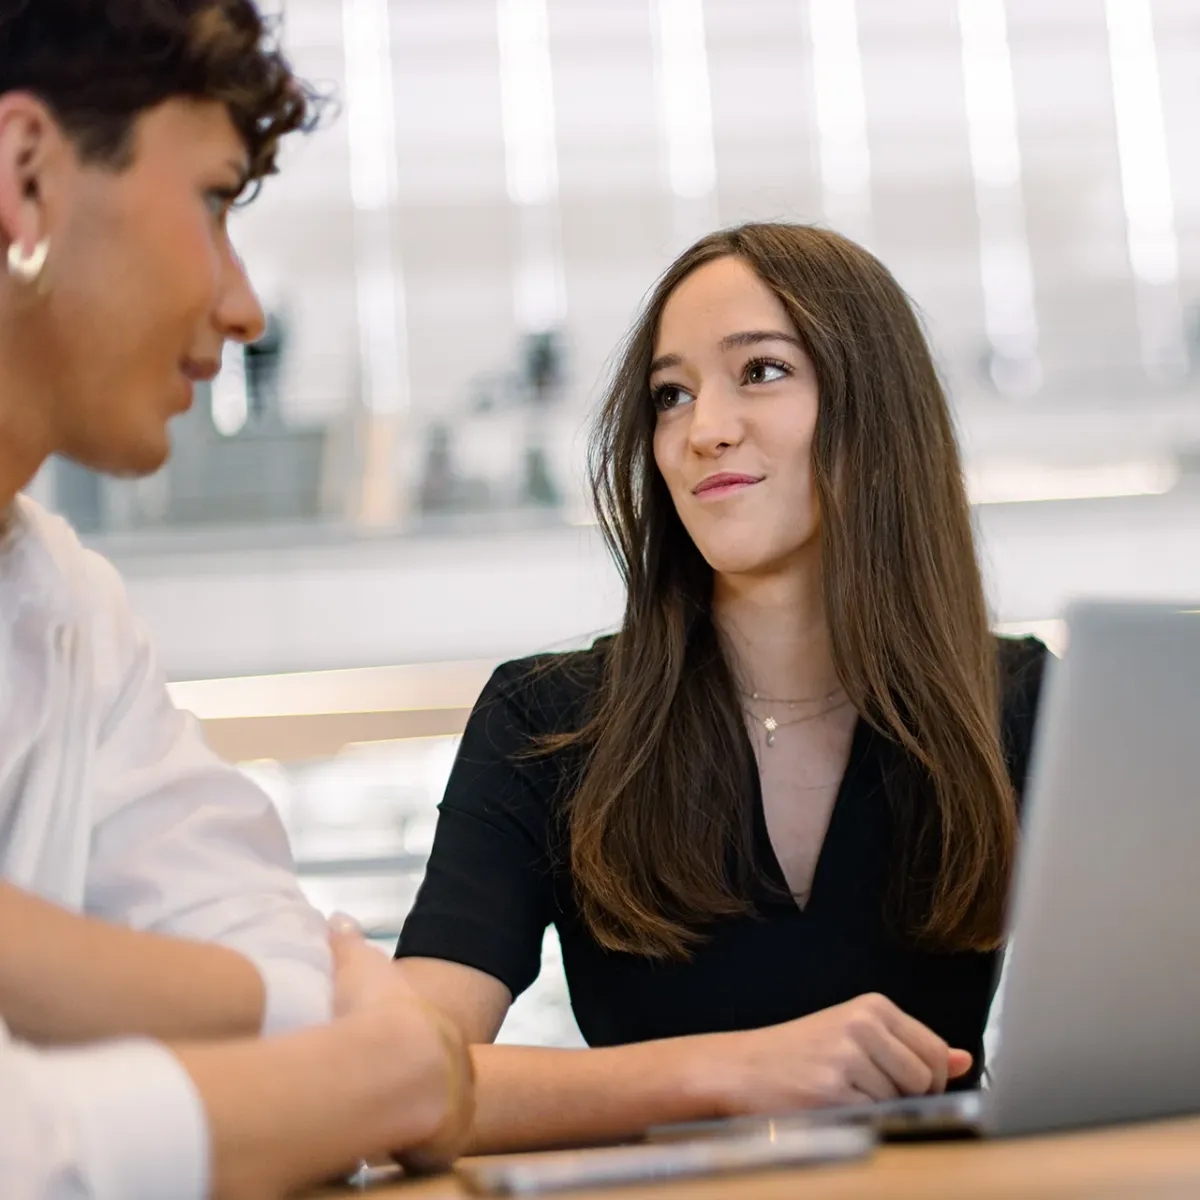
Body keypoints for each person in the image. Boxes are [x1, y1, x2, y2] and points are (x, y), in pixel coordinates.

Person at [394, 222, 1048, 1153]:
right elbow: (399, 1086)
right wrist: (729, 1070)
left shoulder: (1020, 704)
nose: (703, 431)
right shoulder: (546, 722)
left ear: (877, 408)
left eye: (762, 372)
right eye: (671, 395)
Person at [0, 1, 471, 1196]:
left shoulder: (72, 606)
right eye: (214, 202)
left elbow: (265, 948)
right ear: (24, 176)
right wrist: (367, 1078)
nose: (244, 305)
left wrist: (38, 965)